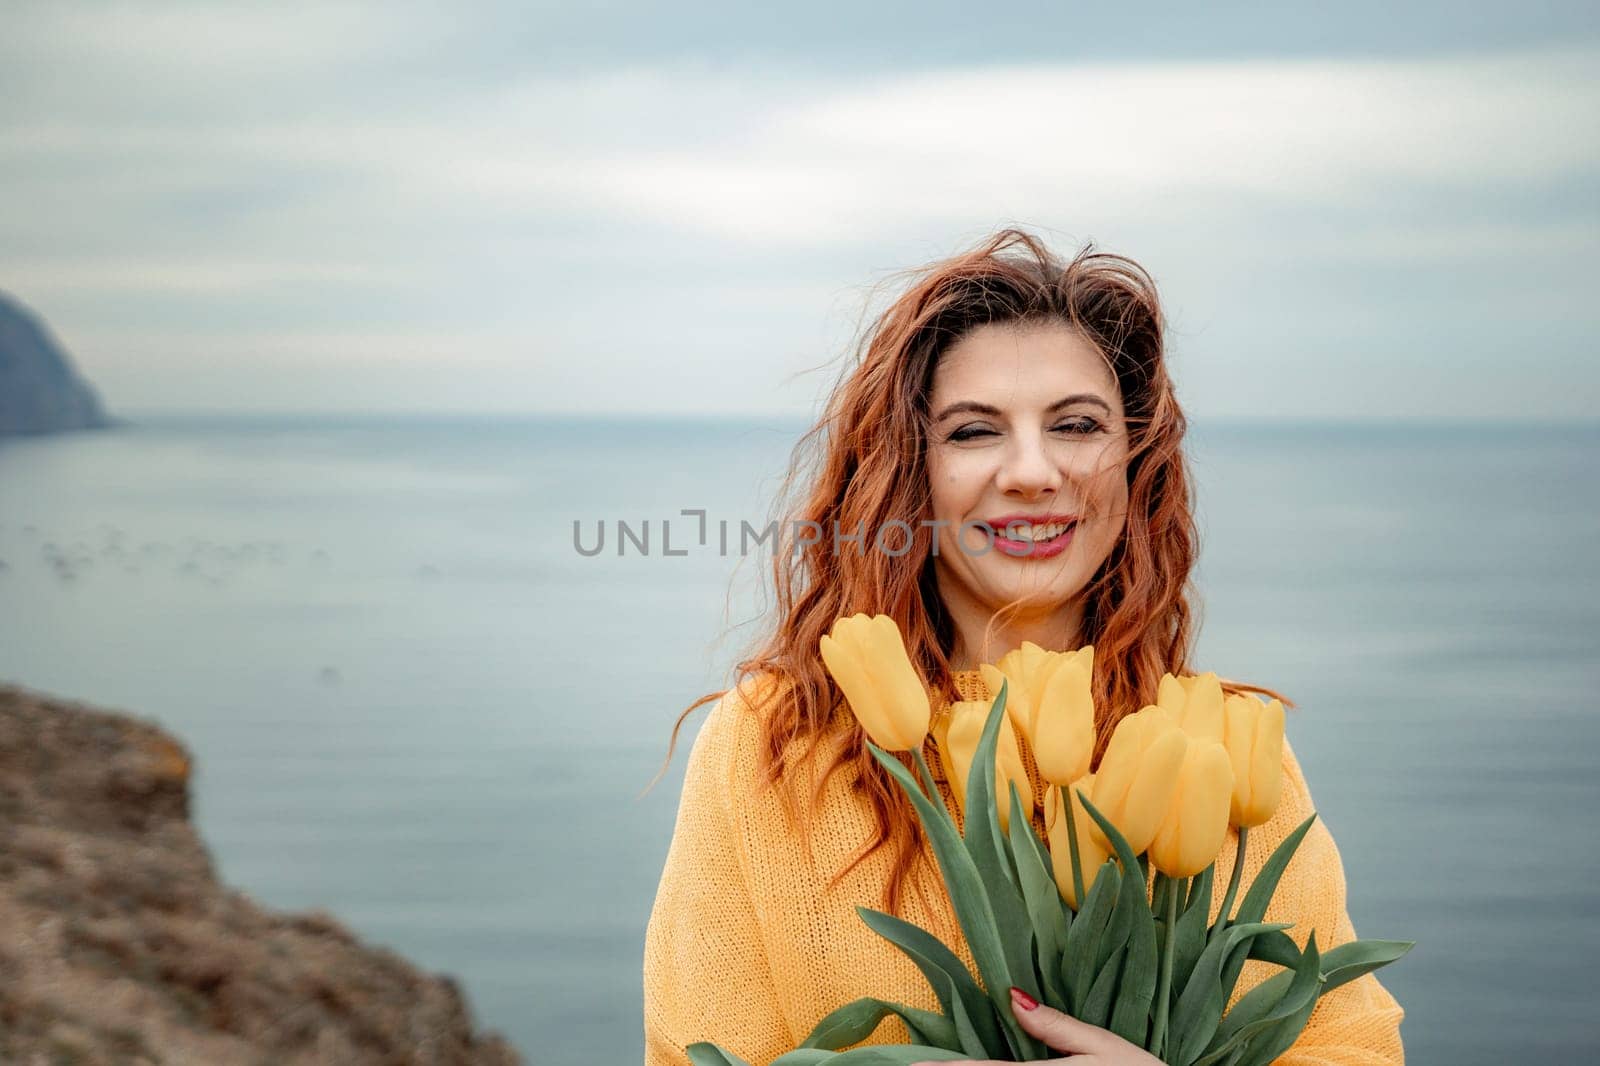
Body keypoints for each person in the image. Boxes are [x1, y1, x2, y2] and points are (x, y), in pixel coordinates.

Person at [641, 228, 1405, 1065]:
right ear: (909, 469)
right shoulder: (776, 745)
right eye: (974, 433)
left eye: (1076, 425)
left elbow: (1351, 1047)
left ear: (1132, 463)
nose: (1033, 471)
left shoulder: (1216, 741)